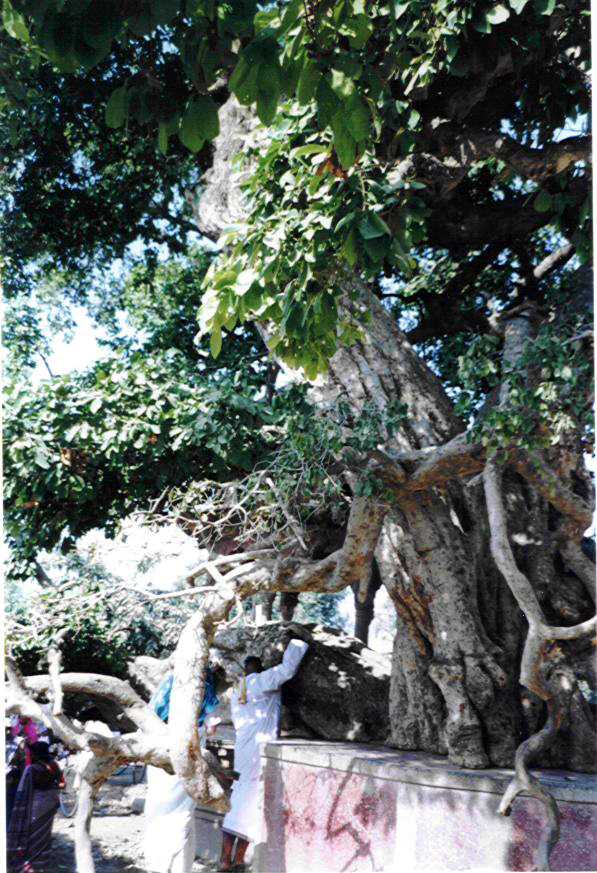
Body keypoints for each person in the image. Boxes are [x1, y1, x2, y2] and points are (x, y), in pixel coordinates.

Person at [219, 638, 308, 873]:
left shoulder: (239, 690)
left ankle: (231, 860)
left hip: (243, 749)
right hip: (258, 751)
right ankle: (231, 859)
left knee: (242, 802)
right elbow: (287, 670)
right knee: (251, 803)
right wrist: (297, 643)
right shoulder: (260, 682)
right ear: (256, 668)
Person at [144, 666, 221, 873]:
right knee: (182, 814)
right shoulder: (206, 686)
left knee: (160, 806)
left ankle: (158, 863)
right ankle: (176, 865)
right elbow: (212, 725)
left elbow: (150, 713)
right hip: (187, 750)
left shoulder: (170, 682)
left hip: (160, 746)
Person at [7, 741, 65, 873]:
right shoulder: (54, 765)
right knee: (44, 834)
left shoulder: (31, 769)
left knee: (32, 835)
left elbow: (22, 791)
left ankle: (31, 865)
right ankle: (41, 863)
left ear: (34, 754)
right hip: (50, 805)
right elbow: (62, 784)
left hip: (36, 805)